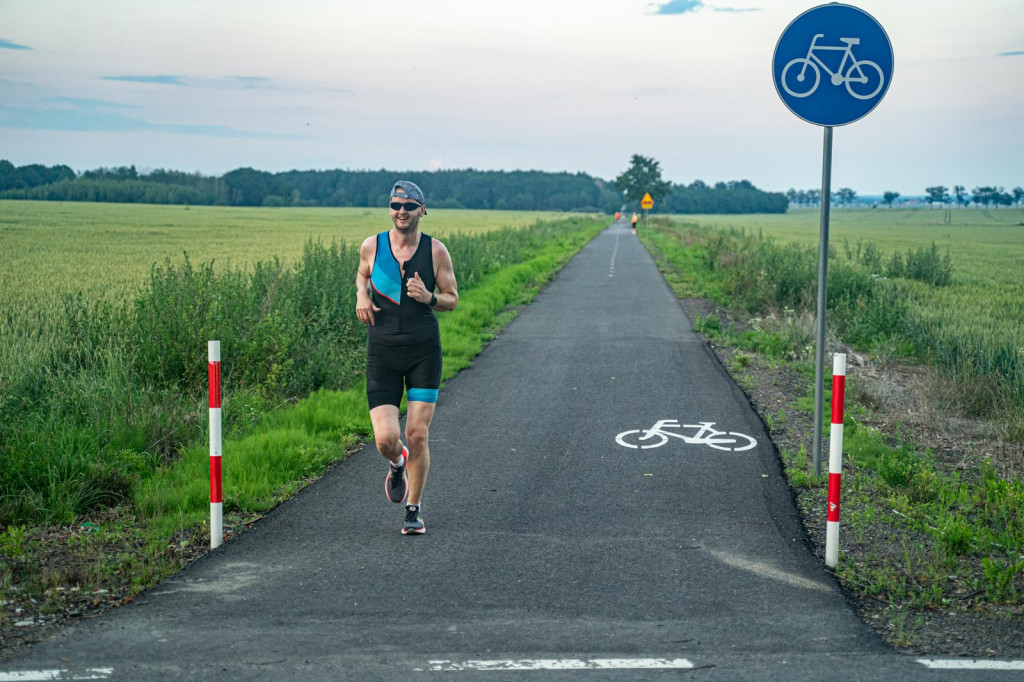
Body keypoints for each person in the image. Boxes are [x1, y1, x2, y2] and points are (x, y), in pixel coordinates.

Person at [355, 180, 458, 535]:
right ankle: (396, 463)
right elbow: (362, 275)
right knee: (386, 439)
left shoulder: (435, 251)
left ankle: (413, 509)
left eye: (409, 206)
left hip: (423, 353)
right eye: (396, 205)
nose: (402, 211)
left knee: (416, 434)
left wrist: (429, 297)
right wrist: (361, 296)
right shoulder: (372, 245)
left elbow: (452, 298)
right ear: (390, 209)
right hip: (382, 354)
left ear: (422, 211)